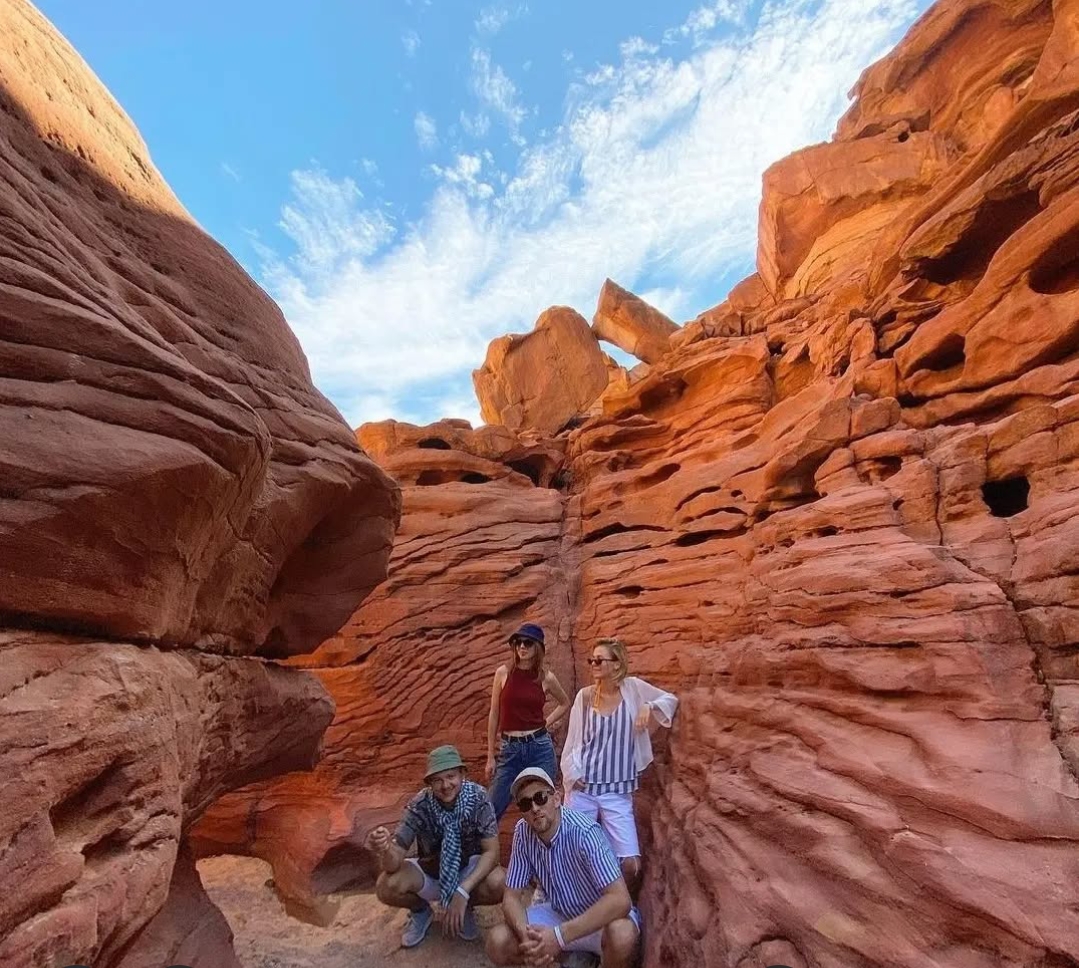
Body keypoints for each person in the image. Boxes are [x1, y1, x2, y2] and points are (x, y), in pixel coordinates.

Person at [485, 766, 640, 968]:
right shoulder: (523, 833)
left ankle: (591, 958)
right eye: (525, 803)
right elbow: (511, 898)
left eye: (540, 798)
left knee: (622, 935)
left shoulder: (584, 832)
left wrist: (558, 937)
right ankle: (568, 960)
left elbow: (620, 900)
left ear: (556, 799)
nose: (534, 808)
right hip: (561, 913)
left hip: (597, 920)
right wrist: (527, 938)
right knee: (498, 941)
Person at [561, 638, 678, 895]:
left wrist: (649, 706)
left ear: (617, 665)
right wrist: (572, 774)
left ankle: (609, 901)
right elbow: (572, 743)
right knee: (570, 853)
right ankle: (574, 900)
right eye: (591, 660)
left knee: (630, 865)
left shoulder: (633, 689)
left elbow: (670, 700)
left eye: (600, 660)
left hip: (617, 791)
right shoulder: (584, 697)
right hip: (584, 789)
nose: (594, 664)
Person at [364, 745, 504, 948]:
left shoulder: (478, 799)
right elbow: (393, 863)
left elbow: (492, 851)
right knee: (386, 886)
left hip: (467, 872)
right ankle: (421, 911)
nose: (445, 785)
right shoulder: (420, 804)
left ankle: (464, 907)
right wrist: (385, 848)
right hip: (431, 872)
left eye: (451, 776)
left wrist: (463, 891)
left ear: (462, 774)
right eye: (437, 780)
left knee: (500, 881)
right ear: (429, 783)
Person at [486, 622, 571, 819]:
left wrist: (544, 724)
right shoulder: (503, 673)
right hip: (510, 749)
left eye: (528, 643)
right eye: (518, 643)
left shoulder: (546, 678)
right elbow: (494, 713)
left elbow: (565, 703)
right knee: (491, 809)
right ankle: (482, 851)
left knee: (544, 808)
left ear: (538, 648)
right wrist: (490, 755)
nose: (522, 647)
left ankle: (548, 850)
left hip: (539, 748)